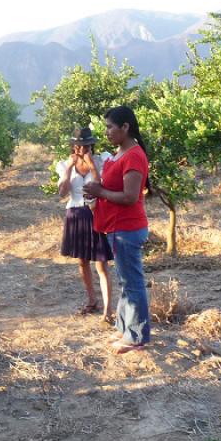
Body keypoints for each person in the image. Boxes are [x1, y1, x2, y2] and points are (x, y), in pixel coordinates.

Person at [83, 106, 151, 354]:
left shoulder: (133, 156)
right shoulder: (120, 153)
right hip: (117, 228)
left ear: (125, 127)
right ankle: (125, 329)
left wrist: (100, 192)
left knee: (133, 284)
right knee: (126, 281)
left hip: (127, 228)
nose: (107, 132)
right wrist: (96, 192)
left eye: (110, 127)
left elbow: (130, 197)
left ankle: (136, 338)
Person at [56, 127, 115, 322]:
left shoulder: (102, 160)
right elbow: (62, 193)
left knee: (101, 263)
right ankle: (92, 300)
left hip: (95, 213)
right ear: (73, 147)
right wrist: (69, 168)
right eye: (79, 145)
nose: (83, 149)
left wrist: (92, 166)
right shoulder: (64, 164)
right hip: (75, 213)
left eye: (87, 145)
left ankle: (108, 309)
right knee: (82, 261)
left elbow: (101, 187)